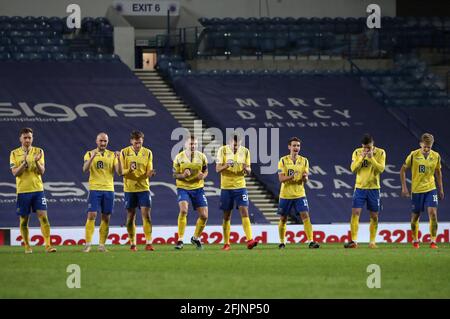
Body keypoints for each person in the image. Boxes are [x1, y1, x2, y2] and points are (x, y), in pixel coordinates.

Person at [9, 127, 56, 254]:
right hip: (23, 191)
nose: (27, 140)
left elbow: (42, 171)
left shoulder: (39, 151)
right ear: (20, 138)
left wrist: (36, 162)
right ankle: (27, 246)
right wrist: (24, 162)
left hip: (37, 190)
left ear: (32, 138)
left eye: (29, 137)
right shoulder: (14, 153)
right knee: (24, 220)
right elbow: (15, 173)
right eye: (25, 137)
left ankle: (48, 245)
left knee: (44, 217)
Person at [400, 133, 444, 249]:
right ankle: (415, 240)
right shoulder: (413, 155)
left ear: (431, 146)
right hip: (417, 190)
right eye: (424, 146)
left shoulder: (436, 156)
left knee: (433, 213)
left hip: (431, 188)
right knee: (415, 216)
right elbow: (402, 170)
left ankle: (433, 241)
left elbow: (438, 172)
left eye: (429, 147)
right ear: (420, 144)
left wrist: (441, 189)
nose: (426, 149)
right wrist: (404, 187)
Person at [216, 135, 258, 251]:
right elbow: (217, 169)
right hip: (226, 187)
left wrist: (246, 169)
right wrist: (226, 165)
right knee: (227, 215)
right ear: (230, 142)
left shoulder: (245, 151)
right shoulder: (222, 150)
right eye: (234, 145)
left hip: (241, 186)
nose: (236, 147)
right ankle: (226, 243)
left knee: (245, 212)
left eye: (238, 145)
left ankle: (250, 240)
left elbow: (249, 170)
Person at [277, 137, 320, 249]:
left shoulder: (304, 161)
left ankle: (311, 241)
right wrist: (292, 176)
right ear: (289, 147)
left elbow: (306, 179)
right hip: (285, 194)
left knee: (305, 215)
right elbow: (281, 179)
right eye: (294, 145)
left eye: (298, 146)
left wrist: (305, 178)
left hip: (300, 194)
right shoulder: (282, 161)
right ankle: (282, 242)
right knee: (283, 218)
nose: (296, 148)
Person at [344, 134, 386, 249]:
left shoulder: (381, 152)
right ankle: (354, 241)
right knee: (355, 213)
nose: (366, 150)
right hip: (359, 188)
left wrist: (371, 158)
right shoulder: (357, 152)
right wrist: (361, 158)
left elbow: (381, 169)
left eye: (369, 147)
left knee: (374, 216)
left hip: (374, 189)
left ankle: (372, 241)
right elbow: (353, 169)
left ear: (373, 145)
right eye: (365, 147)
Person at [82, 132, 120, 252]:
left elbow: (119, 172)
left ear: (107, 142)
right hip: (95, 188)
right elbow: (84, 169)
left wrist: (119, 159)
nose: (103, 143)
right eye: (101, 141)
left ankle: (102, 245)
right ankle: (88, 244)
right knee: (92, 215)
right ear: (96, 141)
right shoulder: (89, 153)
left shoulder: (112, 155)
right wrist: (93, 157)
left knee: (106, 217)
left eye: (105, 141)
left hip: (109, 189)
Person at [119, 130, 155, 251]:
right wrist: (129, 169)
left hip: (144, 188)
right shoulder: (124, 152)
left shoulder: (148, 152)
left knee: (146, 215)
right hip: (129, 189)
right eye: (136, 143)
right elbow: (120, 172)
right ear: (131, 142)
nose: (138, 145)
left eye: (140, 142)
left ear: (142, 141)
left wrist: (150, 173)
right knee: (130, 216)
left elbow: (149, 170)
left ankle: (149, 243)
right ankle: (133, 243)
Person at [173, 136, 209, 250]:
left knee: (204, 216)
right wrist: (182, 175)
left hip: (198, 188)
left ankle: (196, 238)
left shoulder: (202, 157)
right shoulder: (179, 157)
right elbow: (174, 174)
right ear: (186, 145)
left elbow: (205, 170)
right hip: (183, 187)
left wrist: (203, 176)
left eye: (195, 144)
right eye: (191, 144)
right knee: (183, 210)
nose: (193, 146)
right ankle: (180, 240)